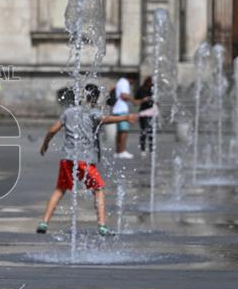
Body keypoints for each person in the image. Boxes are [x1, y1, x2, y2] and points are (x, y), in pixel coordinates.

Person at [36, 84, 138, 236]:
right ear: (96, 98)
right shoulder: (93, 112)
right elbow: (105, 119)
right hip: (84, 160)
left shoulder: (69, 111)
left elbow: (52, 129)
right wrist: (125, 117)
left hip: (67, 159)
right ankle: (102, 226)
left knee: (59, 190)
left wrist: (45, 144)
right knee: (99, 190)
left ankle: (44, 222)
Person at [112, 74, 133, 159]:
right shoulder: (124, 82)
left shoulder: (120, 82)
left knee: (119, 132)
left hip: (117, 109)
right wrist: (133, 100)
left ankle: (118, 151)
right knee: (124, 131)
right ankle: (122, 151)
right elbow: (124, 95)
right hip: (122, 109)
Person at [134, 76, 155, 156]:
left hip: (151, 111)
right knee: (143, 131)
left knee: (151, 131)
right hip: (143, 111)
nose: (151, 84)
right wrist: (143, 99)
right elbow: (135, 100)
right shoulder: (141, 89)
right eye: (149, 82)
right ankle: (143, 149)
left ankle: (151, 149)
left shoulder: (152, 89)